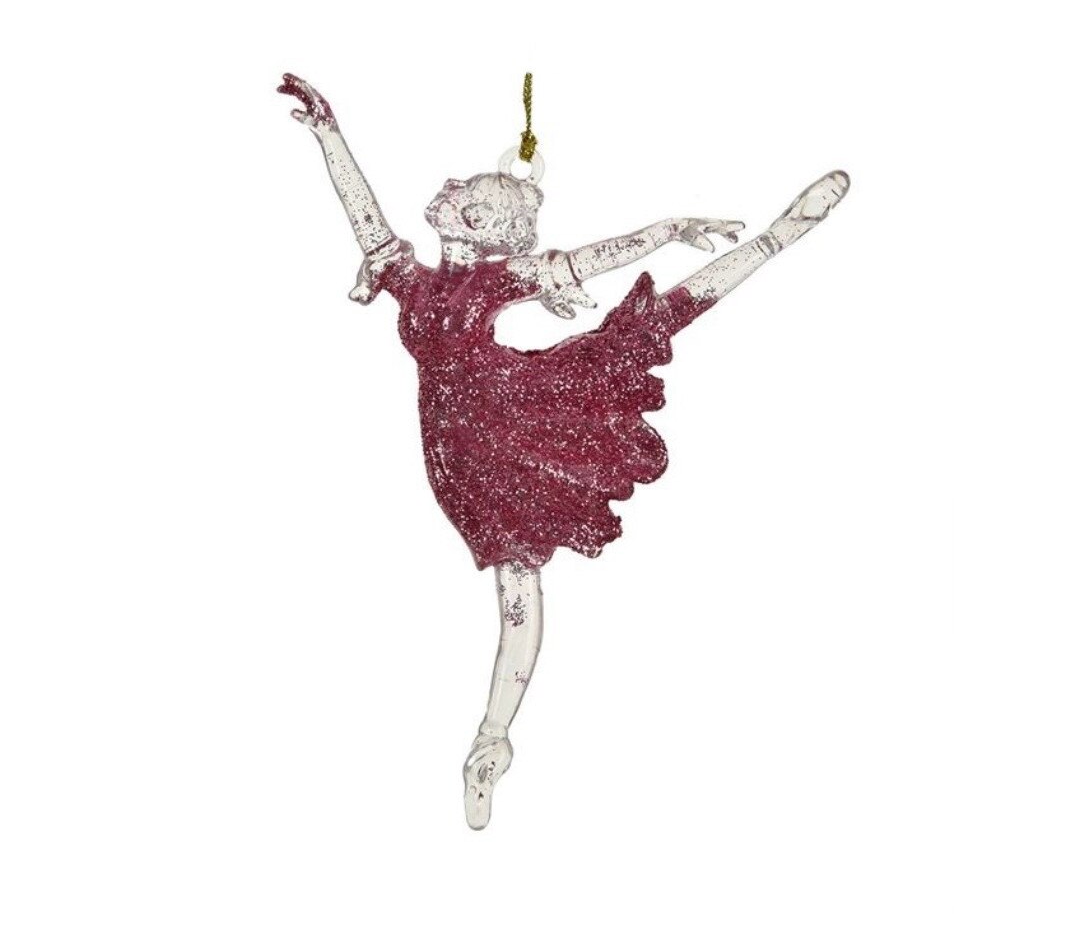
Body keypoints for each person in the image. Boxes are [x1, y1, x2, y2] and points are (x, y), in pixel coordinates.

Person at [279, 73, 850, 828]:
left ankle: (491, 740)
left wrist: (666, 230)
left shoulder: (493, 280)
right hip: (455, 453)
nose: (448, 186)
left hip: (513, 425)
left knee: (650, 325)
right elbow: (365, 218)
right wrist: (328, 133)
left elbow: (585, 261)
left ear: (478, 219)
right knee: (515, 583)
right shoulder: (412, 282)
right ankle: (493, 737)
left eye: (465, 189)